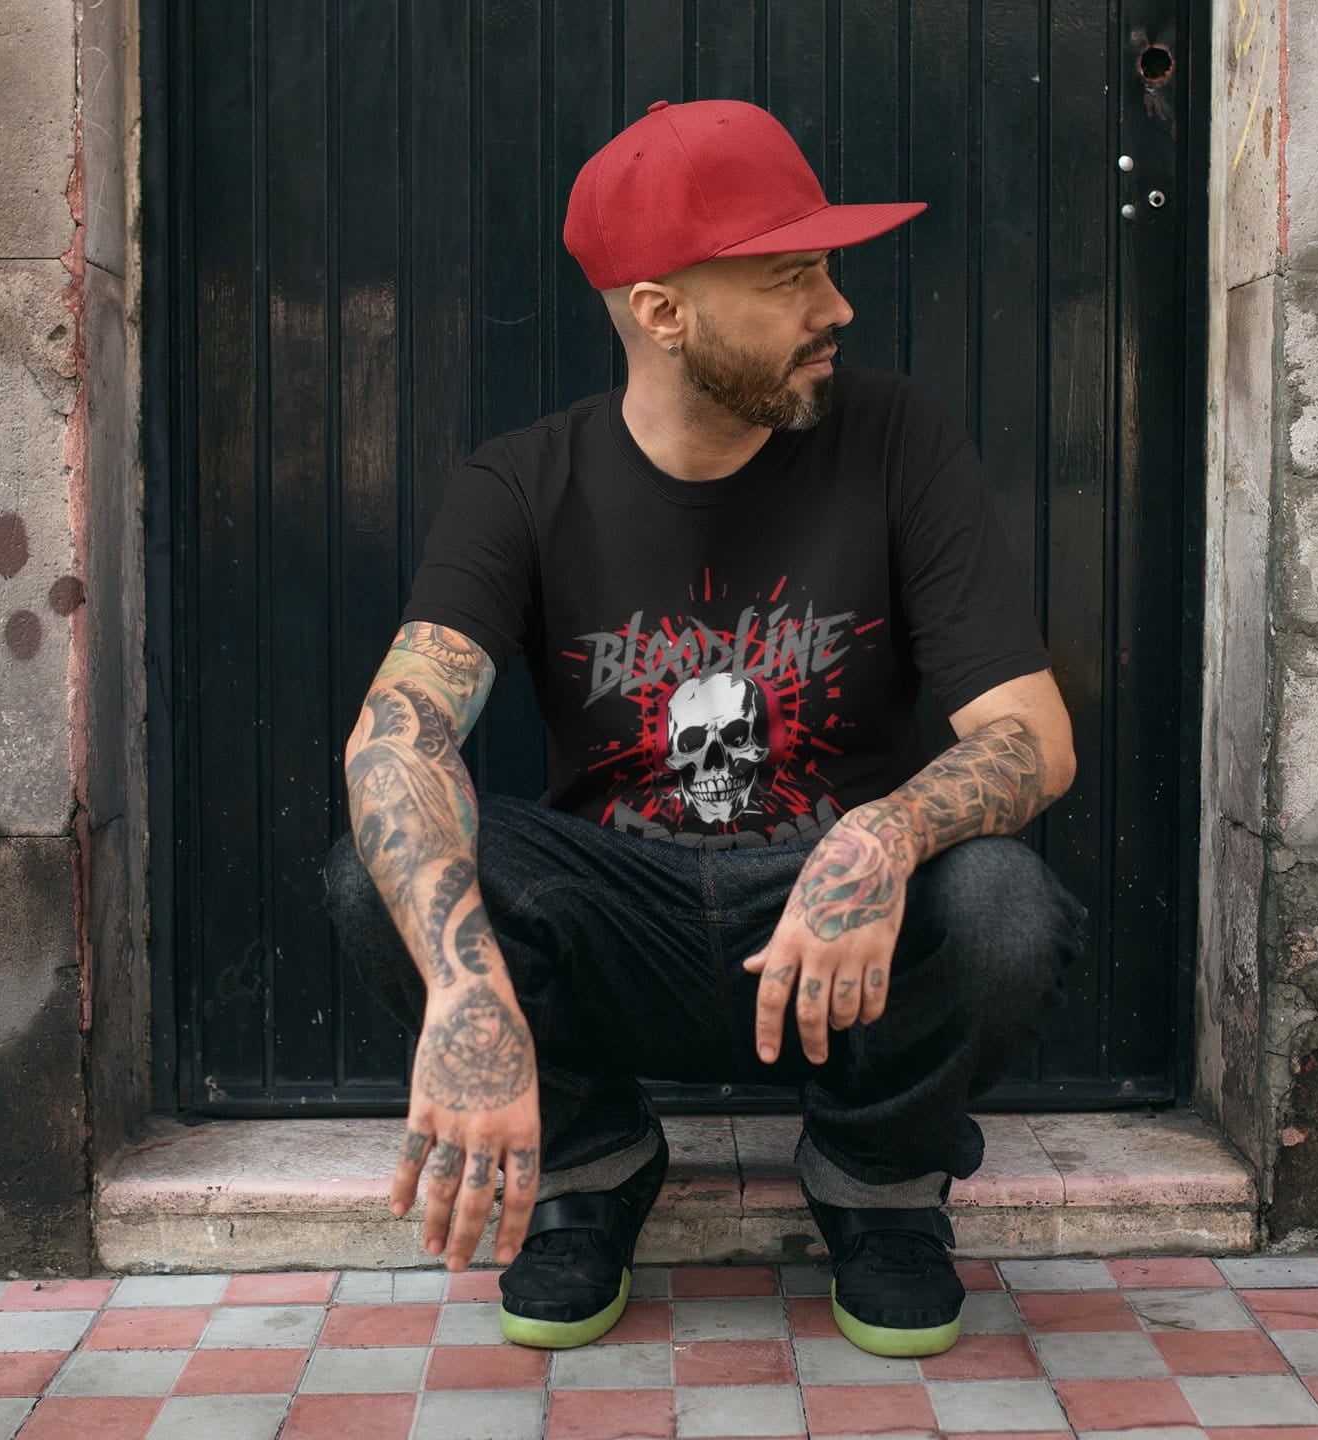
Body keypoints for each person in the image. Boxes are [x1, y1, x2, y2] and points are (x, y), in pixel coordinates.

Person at [324, 98, 1085, 1359]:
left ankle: (877, 1181)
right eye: (792, 278)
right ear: (663, 312)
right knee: (383, 870)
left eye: (827, 269)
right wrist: (463, 990)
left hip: (836, 924)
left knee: (1003, 904)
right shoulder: (520, 484)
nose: (837, 306)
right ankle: (591, 1170)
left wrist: (885, 836)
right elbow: (394, 736)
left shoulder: (897, 440)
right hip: (623, 920)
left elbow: (1033, 737)